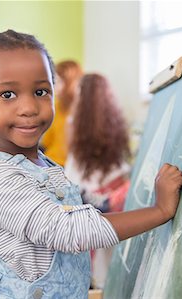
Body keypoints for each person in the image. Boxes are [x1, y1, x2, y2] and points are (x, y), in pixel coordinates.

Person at [0, 29, 182, 298]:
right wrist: (160, 210)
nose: (29, 107)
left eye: (41, 91)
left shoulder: (44, 165)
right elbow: (68, 231)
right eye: (8, 94)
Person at [65, 73, 132, 288]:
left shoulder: (72, 123)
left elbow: (73, 164)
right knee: (110, 259)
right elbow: (122, 173)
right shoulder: (117, 124)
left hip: (83, 197)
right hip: (112, 200)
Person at [40, 60, 83, 166]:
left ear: (69, 83)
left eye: (57, 81)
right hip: (51, 162)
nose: (53, 86)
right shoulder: (56, 105)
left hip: (67, 168)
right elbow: (46, 141)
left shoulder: (81, 111)